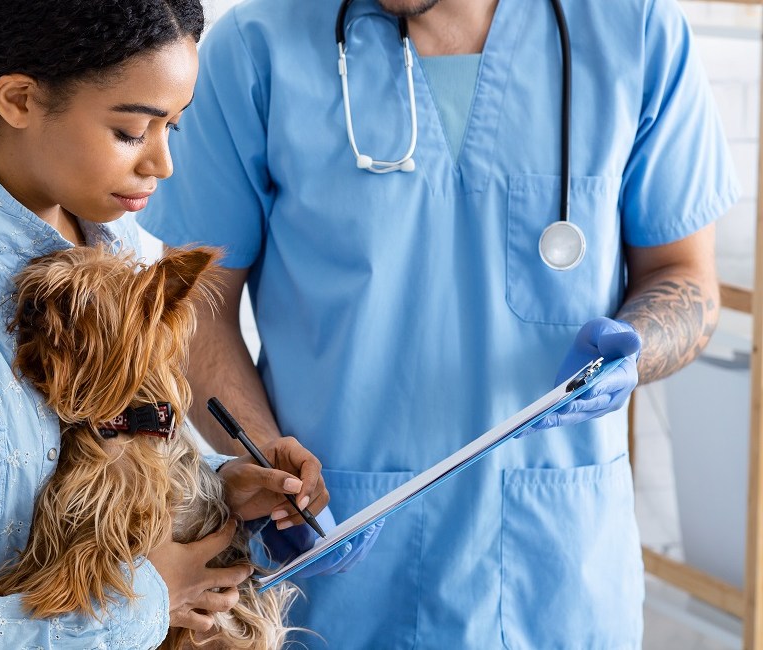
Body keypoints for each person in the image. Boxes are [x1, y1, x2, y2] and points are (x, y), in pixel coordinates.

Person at [140, 0, 737, 647]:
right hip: (332, 573)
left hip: (556, 570)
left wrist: (636, 351)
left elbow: (685, 277)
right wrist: (258, 454)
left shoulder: (637, 30)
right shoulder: (256, 49)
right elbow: (197, 306)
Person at [0, 1, 352, 647]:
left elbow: (128, 455)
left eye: (174, 126)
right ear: (20, 99)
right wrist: (142, 604)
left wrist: (221, 487)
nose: (162, 164)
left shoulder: (130, 250)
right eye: (131, 131)